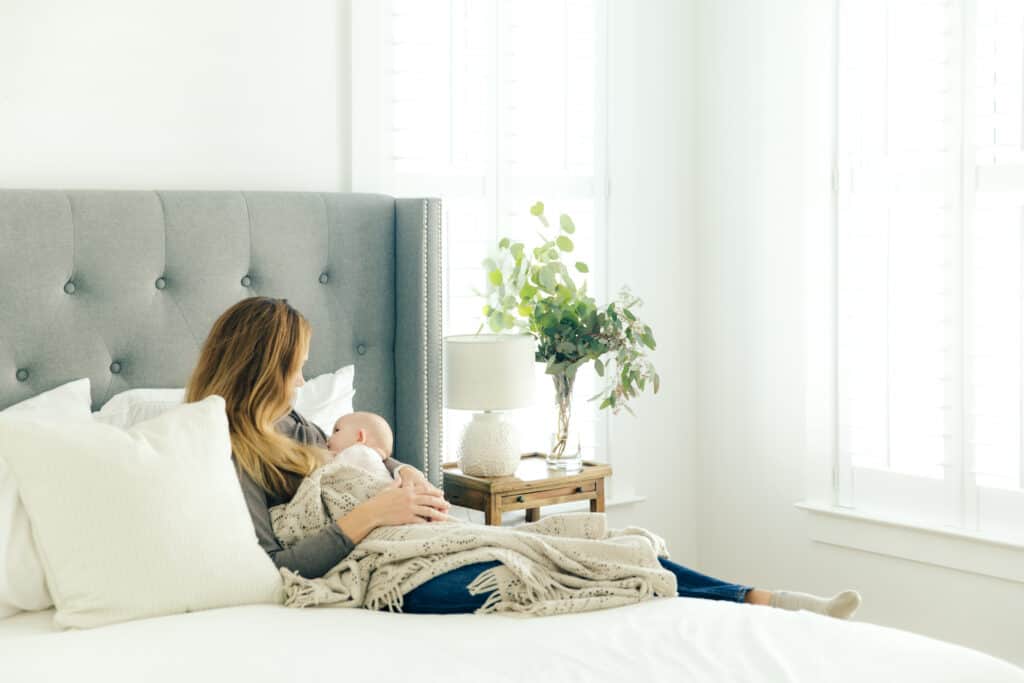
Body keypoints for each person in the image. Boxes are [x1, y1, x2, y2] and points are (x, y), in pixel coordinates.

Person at [185, 296, 861, 619]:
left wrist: (402, 475)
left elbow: (354, 472)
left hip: (419, 538)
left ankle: (765, 599)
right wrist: (376, 514)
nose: (303, 382)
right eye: (295, 368)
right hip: (379, 574)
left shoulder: (299, 425)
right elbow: (276, 566)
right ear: (260, 367)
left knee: (582, 542)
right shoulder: (220, 447)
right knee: (536, 570)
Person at [326, 412, 403, 485]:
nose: (328, 439)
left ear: (360, 437)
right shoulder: (382, 467)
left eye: (336, 431)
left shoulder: (358, 451)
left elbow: (327, 471)